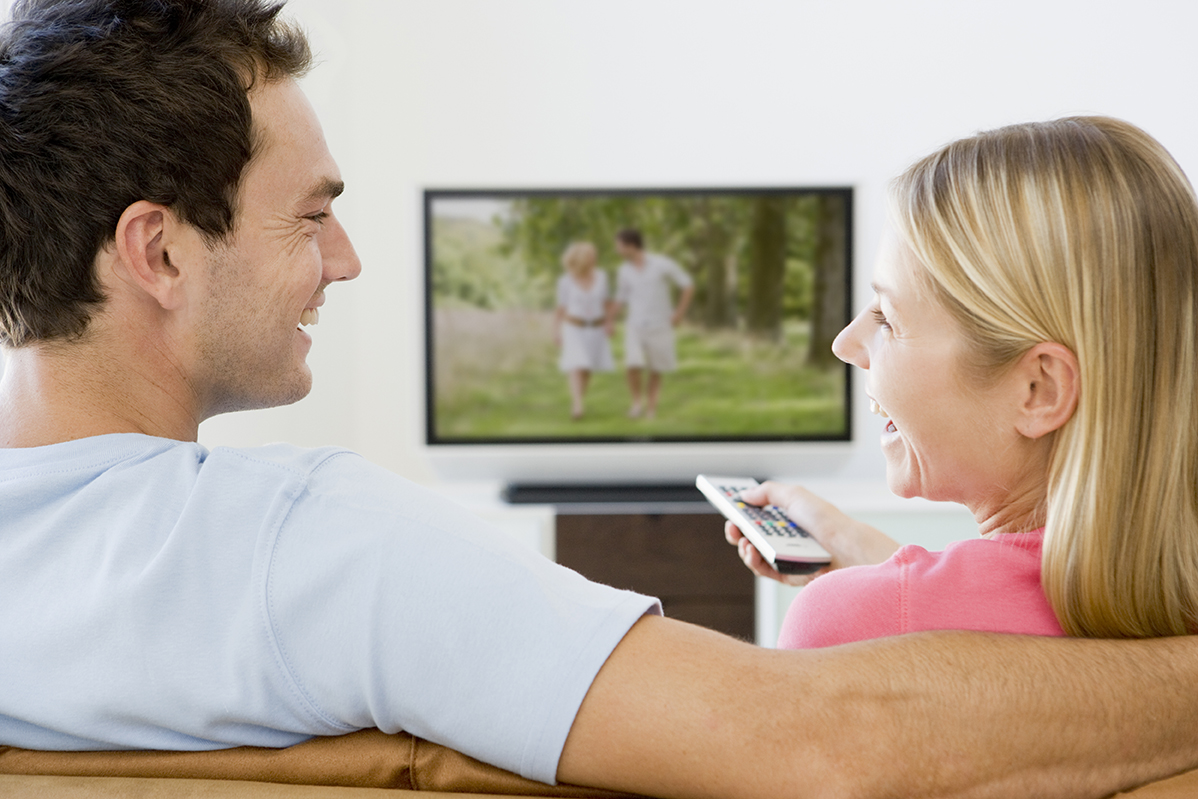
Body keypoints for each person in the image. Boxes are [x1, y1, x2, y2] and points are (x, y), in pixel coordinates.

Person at [1, 3, 1198, 798]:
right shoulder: (318, 546)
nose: (351, 258)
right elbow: (822, 737)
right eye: (311, 215)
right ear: (156, 252)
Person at [728, 120, 1198, 643]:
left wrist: (884, 594)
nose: (845, 343)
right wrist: (856, 547)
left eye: (887, 318)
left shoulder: (844, 627)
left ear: (1038, 392)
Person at [610, 228, 694, 419]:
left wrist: (679, 313)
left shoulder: (662, 264)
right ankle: (637, 404)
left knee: (656, 369)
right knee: (632, 365)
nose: (617, 251)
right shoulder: (623, 270)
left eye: (619, 246)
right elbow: (620, 297)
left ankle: (651, 409)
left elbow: (688, 285)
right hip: (635, 325)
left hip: (661, 325)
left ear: (631, 246)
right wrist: (609, 321)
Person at [552, 241, 614, 420]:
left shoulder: (602, 276)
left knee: (587, 368)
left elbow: (606, 302)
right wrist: (556, 331)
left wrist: (610, 323)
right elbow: (560, 308)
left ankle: (578, 399)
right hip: (573, 328)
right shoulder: (565, 281)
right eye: (591, 255)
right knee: (577, 364)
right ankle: (577, 406)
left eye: (595, 255)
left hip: (596, 327)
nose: (595, 258)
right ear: (581, 258)